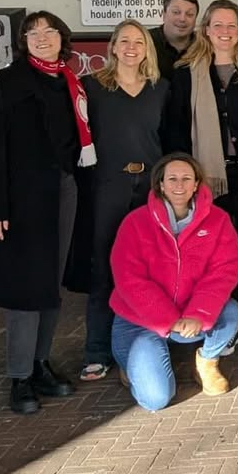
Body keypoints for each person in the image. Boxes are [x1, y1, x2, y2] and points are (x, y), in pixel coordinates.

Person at [0, 11, 94, 414]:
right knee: (25, 288)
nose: (42, 37)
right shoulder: (7, 84)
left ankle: (41, 363)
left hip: (63, 191)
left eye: (49, 31)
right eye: (32, 33)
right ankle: (20, 376)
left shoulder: (70, 82)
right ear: (23, 42)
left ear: (62, 37)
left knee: (50, 284)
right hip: (20, 201)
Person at [109, 154, 238, 412]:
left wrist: (199, 314)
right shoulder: (135, 222)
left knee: (231, 312)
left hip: (188, 315)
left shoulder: (218, 220)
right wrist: (167, 320)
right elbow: (130, 280)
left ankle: (207, 361)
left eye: (186, 179)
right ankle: (132, 368)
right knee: (156, 399)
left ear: (196, 184)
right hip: (140, 322)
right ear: (161, 185)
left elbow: (224, 270)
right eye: (172, 179)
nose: (179, 185)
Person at [166, 0, 238, 322]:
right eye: (218, 25)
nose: (225, 31)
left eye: (231, 25)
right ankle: (223, 315)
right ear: (206, 30)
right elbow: (176, 128)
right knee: (216, 251)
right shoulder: (185, 73)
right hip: (208, 175)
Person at [79, 19, 170, 383]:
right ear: (113, 47)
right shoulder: (92, 87)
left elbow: (171, 138)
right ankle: (97, 351)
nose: (132, 48)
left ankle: (149, 343)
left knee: (149, 267)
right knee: (104, 266)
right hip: (109, 185)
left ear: (147, 49)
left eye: (139, 42)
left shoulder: (160, 89)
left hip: (149, 186)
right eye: (125, 41)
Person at [150, 0, 199, 81]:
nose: (182, 19)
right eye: (176, 12)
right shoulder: (145, 41)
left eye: (189, 14)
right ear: (163, 15)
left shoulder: (203, 46)